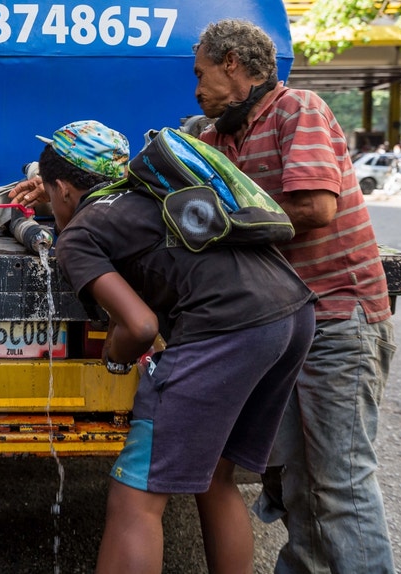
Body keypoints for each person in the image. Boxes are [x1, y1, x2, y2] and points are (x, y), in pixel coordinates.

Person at [40, 119, 316, 573]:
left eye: (51, 195)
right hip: (292, 312)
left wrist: (114, 357)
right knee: (215, 478)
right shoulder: (152, 192)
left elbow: (141, 326)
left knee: (136, 499)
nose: (52, 206)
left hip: (228, 328)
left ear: (65, 188)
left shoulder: (80, 232)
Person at [193, 19, 397, 573]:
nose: (197, 90)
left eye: (202, 74)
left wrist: (220, 226)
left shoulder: (296, 109)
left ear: (233, 63)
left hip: (338, 317)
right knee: (294, 480)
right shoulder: (216, 138)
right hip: (285, 327)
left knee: (340, 483)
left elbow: (314, 209)